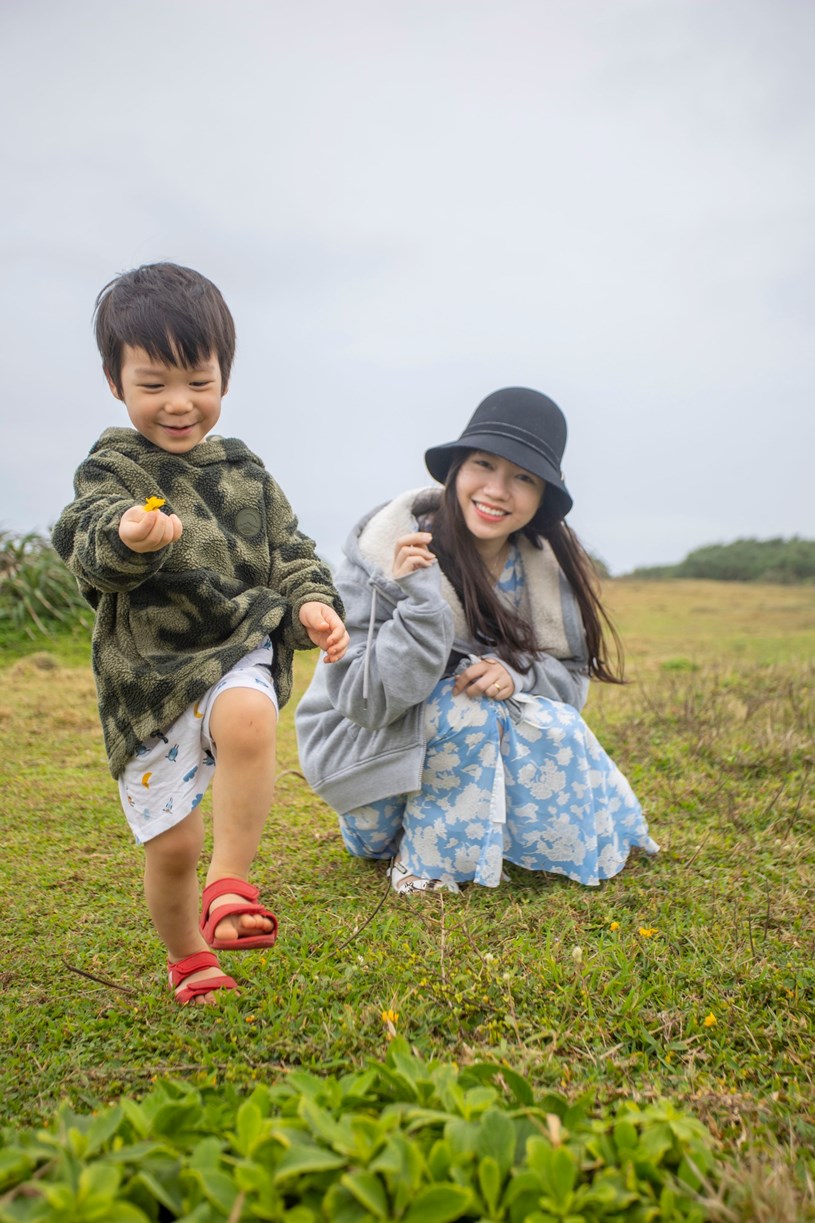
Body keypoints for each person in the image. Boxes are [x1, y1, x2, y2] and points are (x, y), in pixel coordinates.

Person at [53, 262, 348, 1003]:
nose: (179, 404)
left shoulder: (245, 470)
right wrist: (129, 534)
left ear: (224, 375)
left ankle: (232, 882)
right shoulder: (113, 468)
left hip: (233, 645)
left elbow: (290, 551)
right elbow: (84, 544)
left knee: (249, 715)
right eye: (153, 384)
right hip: (146, 677)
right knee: (171, 846)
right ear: (116, 383)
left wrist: (312, 602)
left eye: (198, 381)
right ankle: (188, 954)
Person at [296, 387, 657, 894]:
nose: (497, 489)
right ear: (457, 469)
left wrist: (518, 673)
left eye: (523, 477)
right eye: (484, 464)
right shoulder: (385, 554)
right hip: (369, 757)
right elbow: (364, 702)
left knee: (551, 720)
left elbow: (573, 681)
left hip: (462, 755)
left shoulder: (543, 570)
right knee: (465, 706)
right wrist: (420, 606)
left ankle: (471, 840)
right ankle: (423, 868)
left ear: (541, 497)